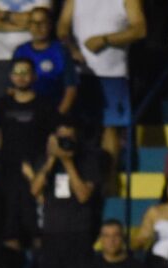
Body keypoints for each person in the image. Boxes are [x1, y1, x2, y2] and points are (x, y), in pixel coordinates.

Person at [56, 0, 146, 179]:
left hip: (113, 73)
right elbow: (62, 27)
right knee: (78, 126)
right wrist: (71, 48)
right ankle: (81, 177)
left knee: (110, 128)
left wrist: (105, 39)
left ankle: (108, 180)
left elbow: (140, 29)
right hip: (80, 73)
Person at [30, 119, 102, 268]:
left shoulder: (87, 161)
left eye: (69, 138)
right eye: (61, 138)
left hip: (78, 236)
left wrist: (68, 162)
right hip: (52, 236)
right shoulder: (46, 161)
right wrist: (52, 159)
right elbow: (34, 190)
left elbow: (83, 195)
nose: (65, 142)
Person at [0, 56, 53, 250]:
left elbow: (53, 142)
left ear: (34, 76)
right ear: (10, 76)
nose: (21, 77)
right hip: (8, 173)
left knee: (37, 229)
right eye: (17, 72)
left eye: (25, 72)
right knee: (10, 229)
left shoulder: (45, 105)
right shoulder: (1, 105)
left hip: (35, 172)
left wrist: (45, 171)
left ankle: (40, 265)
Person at [13, 6, 77, 113]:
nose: (38, 27)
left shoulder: (61, 51)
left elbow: (71, 89)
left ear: (50, 25)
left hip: (54, 109)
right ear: (29, 26)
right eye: (34, 23)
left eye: (42, 23)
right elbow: (13, 86)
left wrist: (58, 116)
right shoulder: (21, 51)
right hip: (28, 112)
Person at [0, 0, 46, 102]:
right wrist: (19, 23)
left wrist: (3, 16)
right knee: (0, 102)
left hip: (32, 57)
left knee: (36, 102)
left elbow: (40, 17)